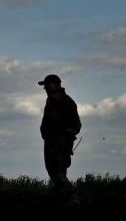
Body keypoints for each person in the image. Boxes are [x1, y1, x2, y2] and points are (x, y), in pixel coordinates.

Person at [38, 74, 81, 204]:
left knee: (57, 173)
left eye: (46, 84)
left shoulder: (64, 102)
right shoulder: (53, 100)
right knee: (56, 172)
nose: (44, 88)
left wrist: (69, 132)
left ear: (54, 85)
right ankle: (61, 201)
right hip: (53, 142)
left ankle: (72, 197)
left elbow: (76, 124)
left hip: (58, 143)